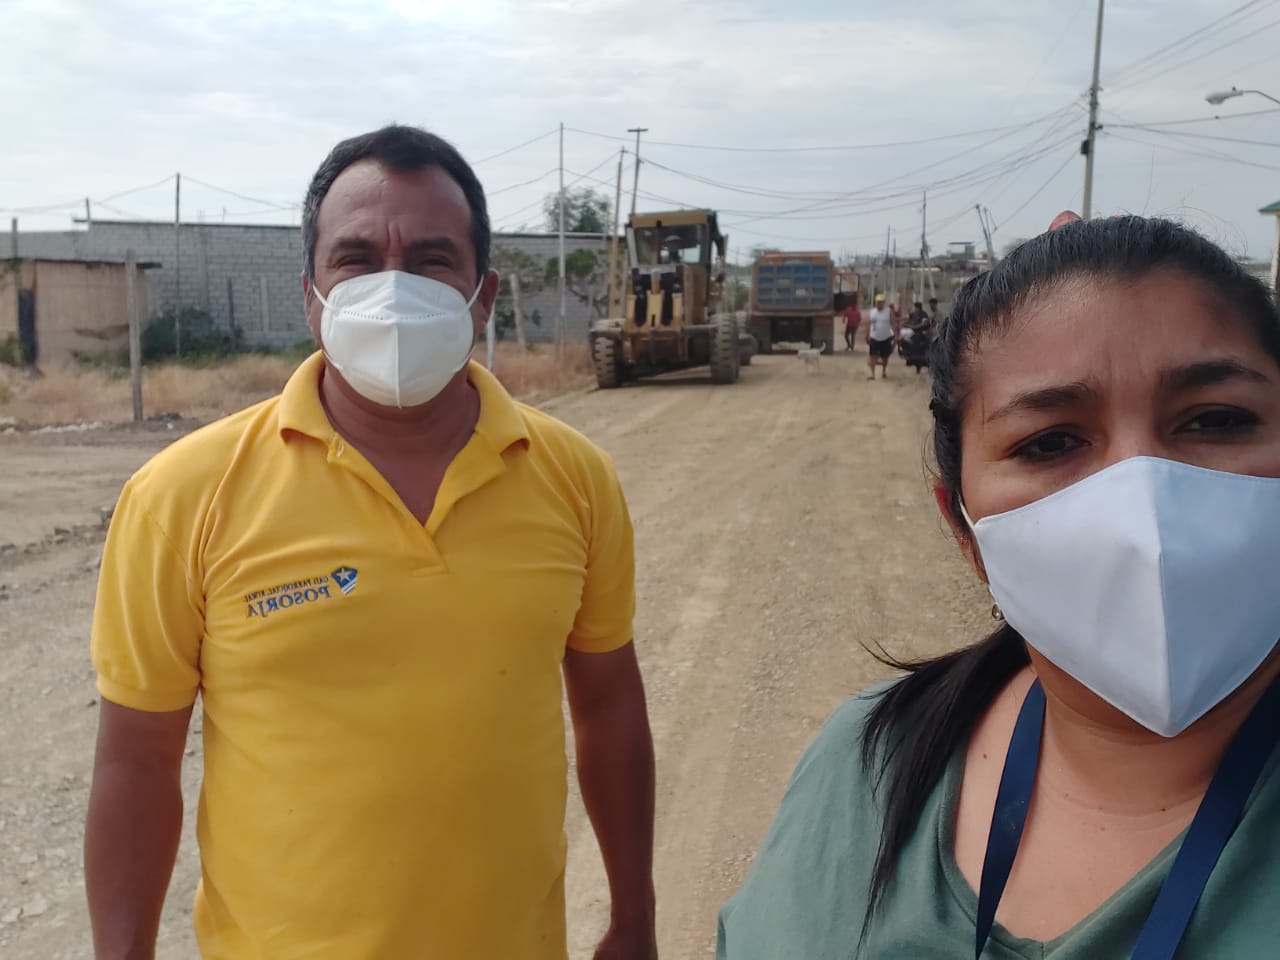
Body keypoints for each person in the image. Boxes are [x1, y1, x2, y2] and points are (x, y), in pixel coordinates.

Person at [85, 125, 658, 960]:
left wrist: (635, 918)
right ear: (311, 296)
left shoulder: (575, 478)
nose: (392, 290)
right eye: (356, 259)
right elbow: (135, 761)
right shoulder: (182, 496)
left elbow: (609, 708)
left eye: (431, 260)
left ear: (483, 295)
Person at [718, 213, 1280, 958]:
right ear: (964, 527)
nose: (1145, 507)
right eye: (1051, 442)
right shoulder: (865, 765)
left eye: (1216, 420)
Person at [865, 292, 897, 380]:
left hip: (885, 337)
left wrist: (895, 335)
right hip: (874, 337)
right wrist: (867, 335)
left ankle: (884, 371)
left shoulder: (889, 311)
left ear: (884, 303)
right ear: (875, 302)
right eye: (878, 302)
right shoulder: (872, 312)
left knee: (885, 357)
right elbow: (869, 324)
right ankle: (872, 374)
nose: (879, 303)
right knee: (873, 356)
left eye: (881, 302)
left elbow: (893, 324)